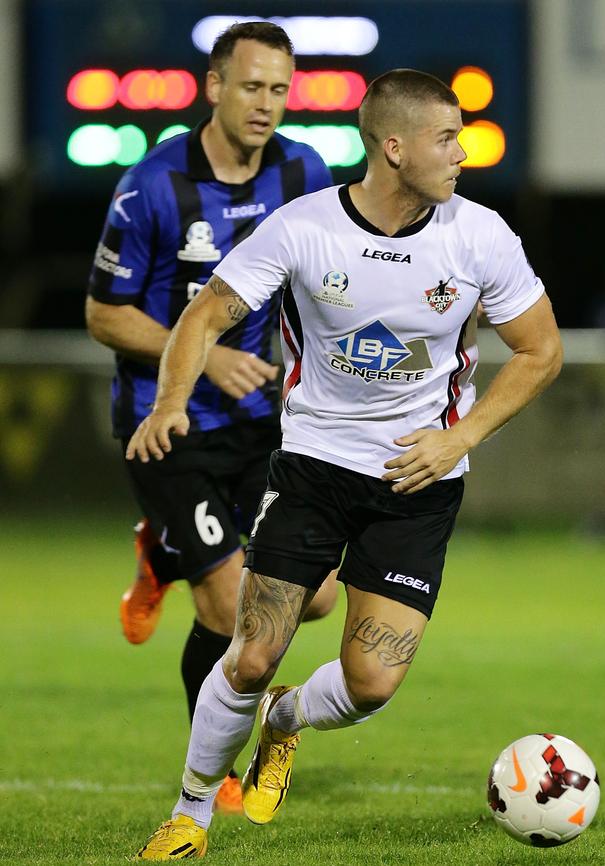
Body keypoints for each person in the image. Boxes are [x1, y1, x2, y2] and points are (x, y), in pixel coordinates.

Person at [126, 68, 563, 860]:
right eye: (446, 138)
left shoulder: (481, 235)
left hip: (418, 484)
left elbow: (542, 352)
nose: (461, 153)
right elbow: (206, 314)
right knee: (251, 650)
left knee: (371, 684)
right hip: (314, 468)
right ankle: (190, 812)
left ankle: (286, 723)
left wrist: (458, 440)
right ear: (393, 148)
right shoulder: (303, 230)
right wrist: (169, 404)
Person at [85, 21, 338, 812]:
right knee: (232, 606)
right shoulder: (153, 184)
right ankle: (220, 774)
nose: (266, 105)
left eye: (279, 90)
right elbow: (103, 313)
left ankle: (163, 558)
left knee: (319, 595)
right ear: (215, 86)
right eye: (252, 86)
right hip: (168, 429)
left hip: (267, 423)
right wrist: (208, 357)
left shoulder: (305, 171)